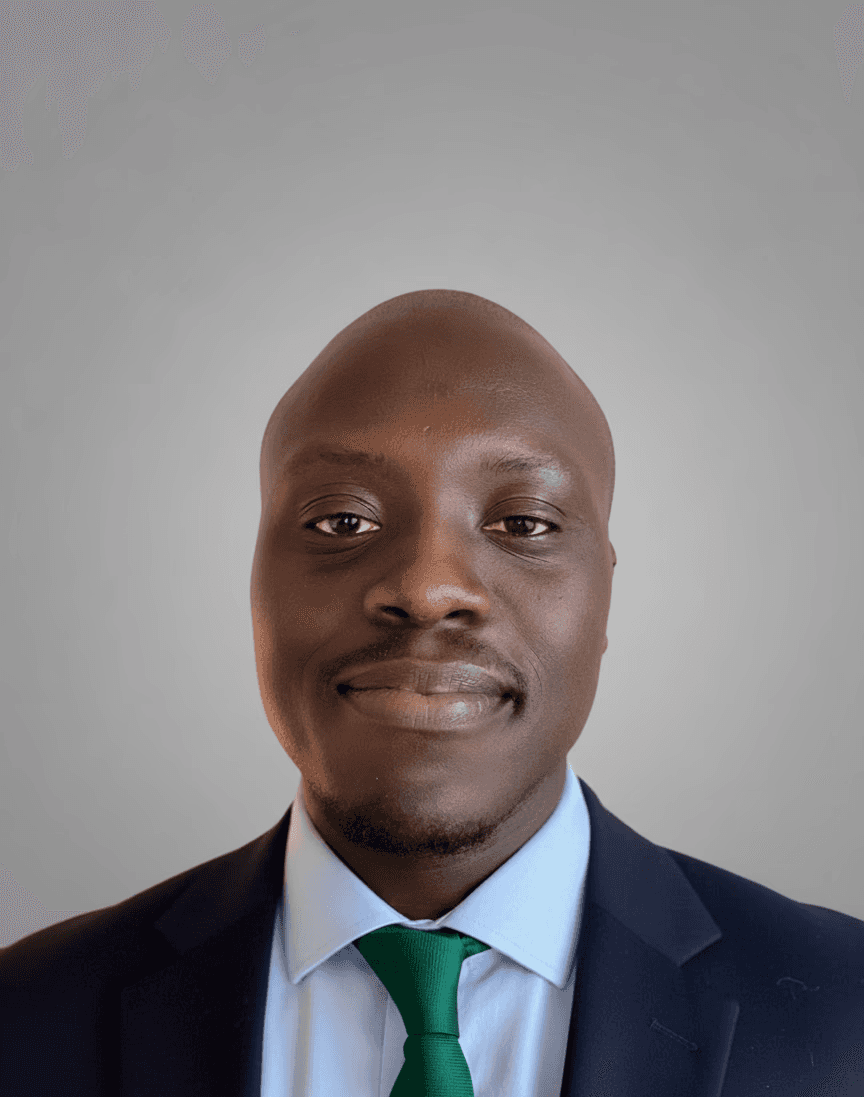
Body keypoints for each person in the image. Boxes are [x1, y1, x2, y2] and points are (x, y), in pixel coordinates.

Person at [1, 289, 862, 1096]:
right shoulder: (27, 1021)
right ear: (254, 579)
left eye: (522, 523)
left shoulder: (844, 1016)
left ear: (604, 591)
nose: (426, 585)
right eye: (343, 521)